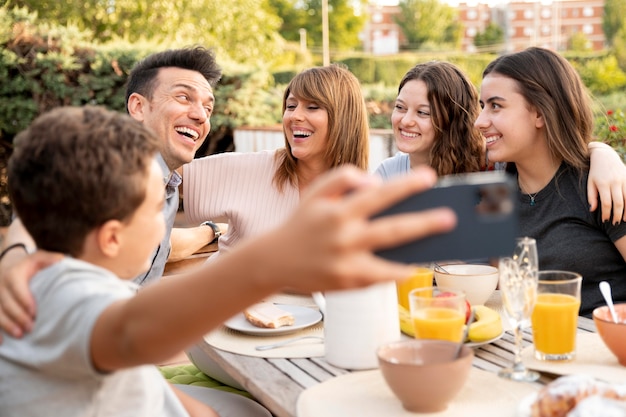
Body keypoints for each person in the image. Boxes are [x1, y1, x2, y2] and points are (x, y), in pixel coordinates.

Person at [0, 105, 457, 416]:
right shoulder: (59, 294)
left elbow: (133, 379)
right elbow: (134, 332)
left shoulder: (65, 276)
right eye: (157, 207)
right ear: (112, 237)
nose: (167, 216)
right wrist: (277, 258)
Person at [0, 46, 227, 289]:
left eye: (208, 108)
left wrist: (213, 231)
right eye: (183, 97)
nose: (201, 116)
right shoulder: (103, 164)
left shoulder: (167, 182)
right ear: (138, 107)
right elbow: (38, 211)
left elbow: (159, 243)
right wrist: (15, 255)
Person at [473, 47, 626, 317]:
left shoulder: (599, 184)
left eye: (496, 106)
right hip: (530, 345)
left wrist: (601, 151)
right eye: (482, 106)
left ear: (540, 114)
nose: (479, 121)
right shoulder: (496, 196)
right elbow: (504, 293)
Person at [375, 60, 626, 224]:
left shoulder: (492, 168)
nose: (405, 120)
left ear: (452, 120)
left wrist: (603, 153)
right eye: (400, 107)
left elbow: (550, 154)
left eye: (423, 113)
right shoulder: (387, 175)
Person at [182, 64, 369, 259]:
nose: (295, 116)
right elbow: (164, 175)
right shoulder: (256, 168)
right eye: (291, 106)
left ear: (345, 118)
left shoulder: (362, 197)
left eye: (313, 107)